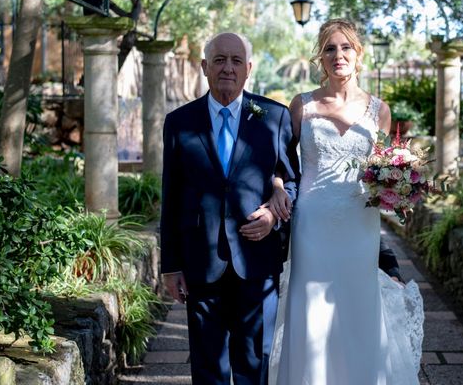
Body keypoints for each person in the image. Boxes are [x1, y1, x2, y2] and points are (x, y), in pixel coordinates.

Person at [269, 19, 424, 385]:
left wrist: (398, 184)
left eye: (345, 48)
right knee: (313, 309)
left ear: (359, 55)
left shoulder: (378, 110)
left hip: (360, 223)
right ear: (320, 58)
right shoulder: (301, 105)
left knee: (358, 305)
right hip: (313, 223)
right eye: (330, 49)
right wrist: (277, 184)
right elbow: (280, 161)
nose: (338, 55)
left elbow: (384, 165)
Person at [159, 32, 300, 385]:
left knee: (254, 363)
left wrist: (273, 214)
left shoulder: (275, 117)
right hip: (201, 261)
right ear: (205, 66)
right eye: (220, 59)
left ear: (249, 69)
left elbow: (293, 182)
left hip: (257, 260)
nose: (228, 67)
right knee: (208, 368)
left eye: (236, 61)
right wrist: (171, 266)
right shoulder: (179, 122)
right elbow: (171, 194)